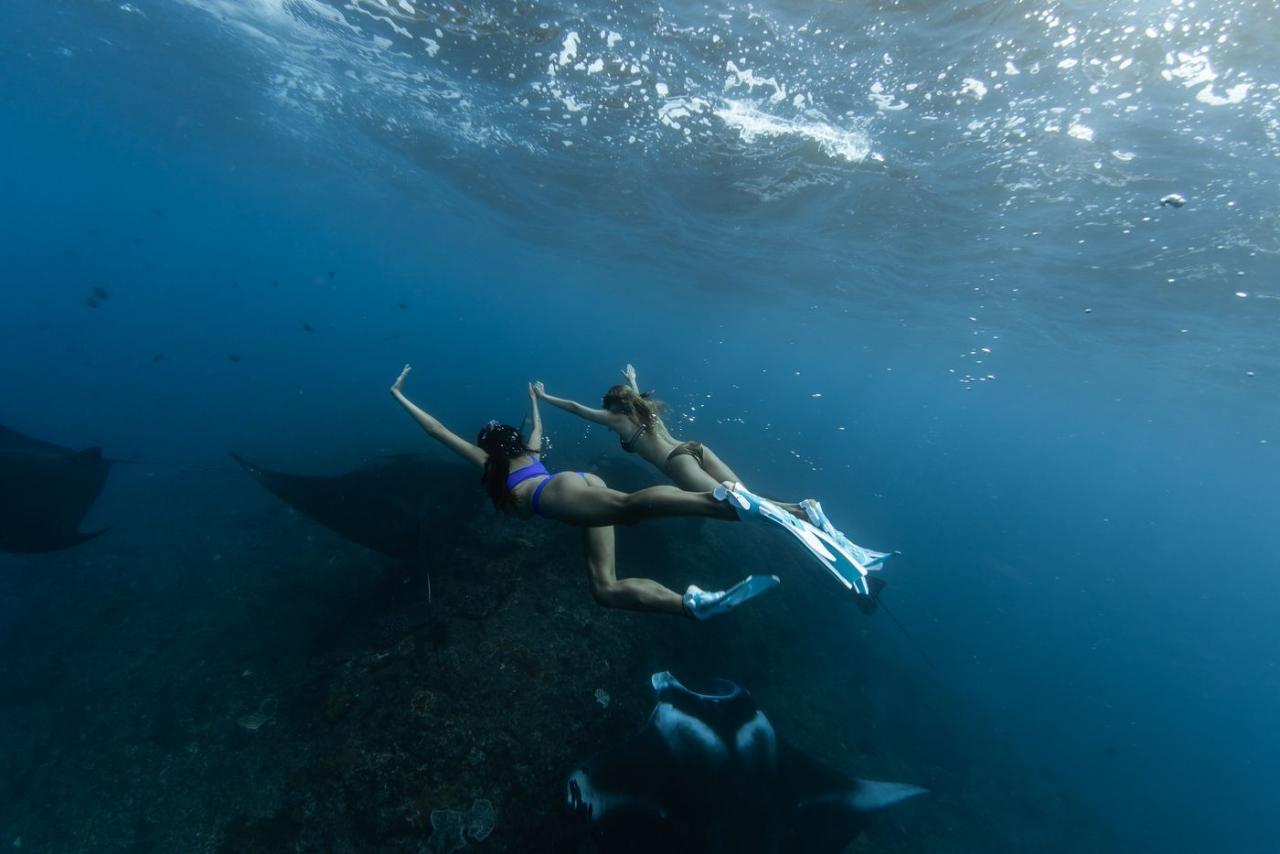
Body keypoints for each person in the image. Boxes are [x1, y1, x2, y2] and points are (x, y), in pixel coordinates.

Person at [389, 364, 778, 620]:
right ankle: (691, 604)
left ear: (487, 446)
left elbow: (436, 431)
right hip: (572, 487)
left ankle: (717, 502)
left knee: (627, 508)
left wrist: (399, 395)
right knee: (604, 589)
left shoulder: (489, 464)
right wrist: (533, 400)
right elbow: (537, 426)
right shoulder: (529, 449)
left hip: (555, 495)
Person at [534, 364, 809, 518]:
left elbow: (576, 408)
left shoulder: (616, 419)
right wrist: (631, 377)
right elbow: (635, 395)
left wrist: (544, 397)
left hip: (677, 462)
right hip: (696, 449)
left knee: (730, 508)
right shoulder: (645, 406)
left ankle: (797, 512)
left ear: (612, 407)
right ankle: (799, 509)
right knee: (745, 499)